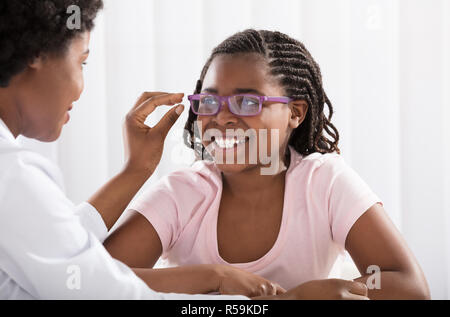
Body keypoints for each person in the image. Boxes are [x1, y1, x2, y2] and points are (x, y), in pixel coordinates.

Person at [104, 29, 430, 300]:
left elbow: (411, 288)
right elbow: (96, 281)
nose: (222, 117)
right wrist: (215, 277)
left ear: (295, 113)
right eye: (209, 101)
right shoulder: (182, 194)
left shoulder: (324, 183)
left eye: (247, 102)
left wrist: (305, 296)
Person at [0, 0, 252, 300]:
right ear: (36, 54)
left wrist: (137, 169)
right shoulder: (11, 175)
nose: (82, 87)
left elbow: (50, 247)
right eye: (82, 62)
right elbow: (98, 291)